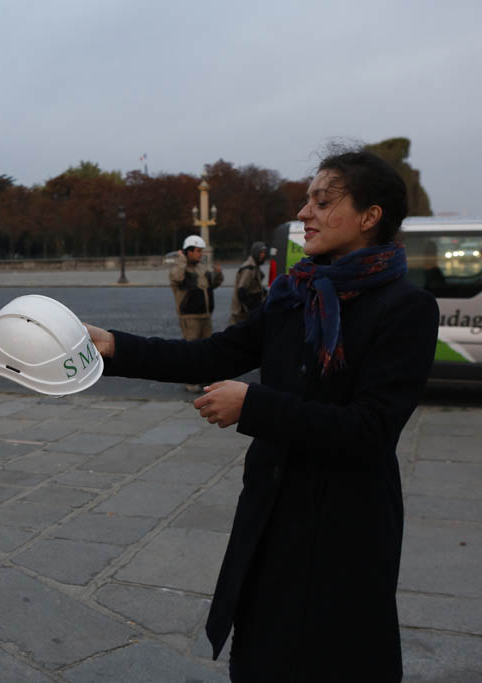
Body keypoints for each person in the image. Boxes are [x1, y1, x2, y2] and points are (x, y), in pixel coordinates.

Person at [87, 150, 439, 682]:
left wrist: (254, 405)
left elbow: (370, 430)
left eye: (323, 201)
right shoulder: (293, 293)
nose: (304, 212)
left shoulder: (406, 308)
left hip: (347, 527)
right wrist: (115, 346)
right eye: (307, 199)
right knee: (262, 658)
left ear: (370, 216)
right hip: (274, 515)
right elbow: (211, 355)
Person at [169, 234, 224, 391]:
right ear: (188, 252)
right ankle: (191, 381)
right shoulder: (180, 269)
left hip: (205, 316)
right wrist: (181, 260)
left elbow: (212, 285)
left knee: (207, 350)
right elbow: (177, 278)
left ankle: (205, 379)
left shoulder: (201, 268)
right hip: (190, 316)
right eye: (198, 251)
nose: (200, 254)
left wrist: (218, 274)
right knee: (191, 351)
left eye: (201, 251)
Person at [228, 241, 269, 325]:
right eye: (261, 252)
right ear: (255, 253)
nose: (263, 255)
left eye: (264, 253)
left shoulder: (255, 266)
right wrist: (251, 308)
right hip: (242, 313)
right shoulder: (248, 268)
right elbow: (241, 291)